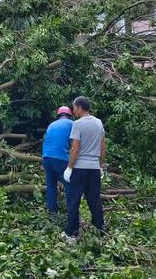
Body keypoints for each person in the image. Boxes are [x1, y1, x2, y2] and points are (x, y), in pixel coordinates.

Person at [63, 96, 105, 241]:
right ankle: (99, 230)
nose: (73, 111)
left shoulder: (78, 124)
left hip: (80, 168)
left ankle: (71, 233)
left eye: (74, 108)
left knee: (74, 200)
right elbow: (102, 147)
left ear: (80, 107)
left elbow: (75, 149)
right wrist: (100, 166)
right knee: (94, 200)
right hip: (94, 169)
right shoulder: (99, 123)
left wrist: (69, 168)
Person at [42, 106, 74, 214]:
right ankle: (72, 212)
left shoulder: (51, 125)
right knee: (69, 185)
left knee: (51, 186)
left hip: (46, 157)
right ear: (70, 116)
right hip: (60, 159)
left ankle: (52, 212)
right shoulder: (71, 124)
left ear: (58, 115)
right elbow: (75, 144)